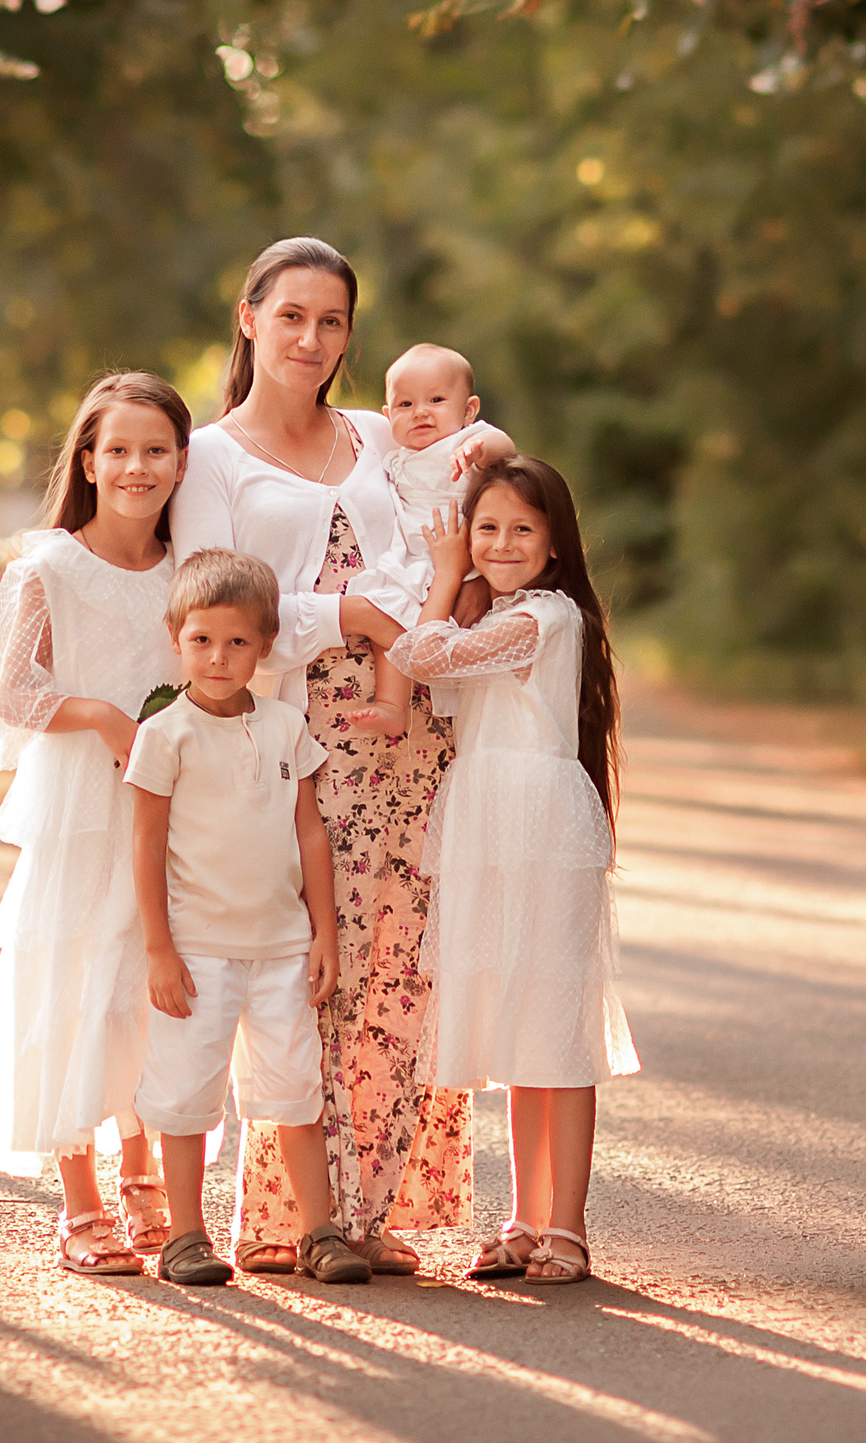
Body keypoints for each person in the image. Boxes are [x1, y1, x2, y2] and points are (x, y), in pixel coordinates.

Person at [169, 236, 472, 1278]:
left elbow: (475, 470)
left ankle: (375, 1210)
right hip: (297, 736)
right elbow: (211, 594)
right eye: (291, 315)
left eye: (332, 320)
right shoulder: (211, 455)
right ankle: (295, 1211)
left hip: (413, 730)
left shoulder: (386, 431)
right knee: (312, 963)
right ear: (248, 316)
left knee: (399, 964)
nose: (311, 337)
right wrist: (340, 610)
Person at [388, 455, 639, 1287]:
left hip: (539, 824)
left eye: (520, 528)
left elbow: (423, 655)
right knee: (519, 1026)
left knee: (555, 1029)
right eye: (484, 526)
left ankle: (565, 1225)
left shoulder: (546, 617)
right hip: (489, 822)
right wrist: (461, 584)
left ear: (556, 543)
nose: (499, 543)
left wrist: (446, 570)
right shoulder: (500, 615)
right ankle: (526, 1218)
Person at [0, 371, 191, 1277]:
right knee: (73, 979)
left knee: (154, 976)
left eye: (156, 449)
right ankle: (81, 1199)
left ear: (181, 461)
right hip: (81, 801)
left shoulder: (191, 565)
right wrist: (103, 715)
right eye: (118, 450)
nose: (136, 467)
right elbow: (8, 695)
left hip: (174, 802)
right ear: (88, 461)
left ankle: (146, 1174)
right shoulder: (48, 567)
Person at [126, 548, 373, 1287]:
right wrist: (158, 948)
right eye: (202, 639)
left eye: (237, 641)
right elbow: (146, 841)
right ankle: (185, 1235)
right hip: (198, 949)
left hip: (281, 948)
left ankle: (319, 1230)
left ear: (265, 645)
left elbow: (310, 832)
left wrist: (323, 932)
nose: (219, 656)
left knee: (296, 1088)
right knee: (184, 1092)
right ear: (177, 636)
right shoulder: (164, 734)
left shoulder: (286, 726)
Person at [345, 342, 516, 738]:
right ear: (388, 416)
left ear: (468, 410)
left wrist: (478, 450)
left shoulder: (467, 440)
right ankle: (391, 703)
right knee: (388, 617)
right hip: (413, 563)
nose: (420, 411)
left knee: (467, 644)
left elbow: (503, 448)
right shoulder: (395, 457)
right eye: (405, 405)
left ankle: (484, 720)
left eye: (436, 400)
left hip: (466, 560)